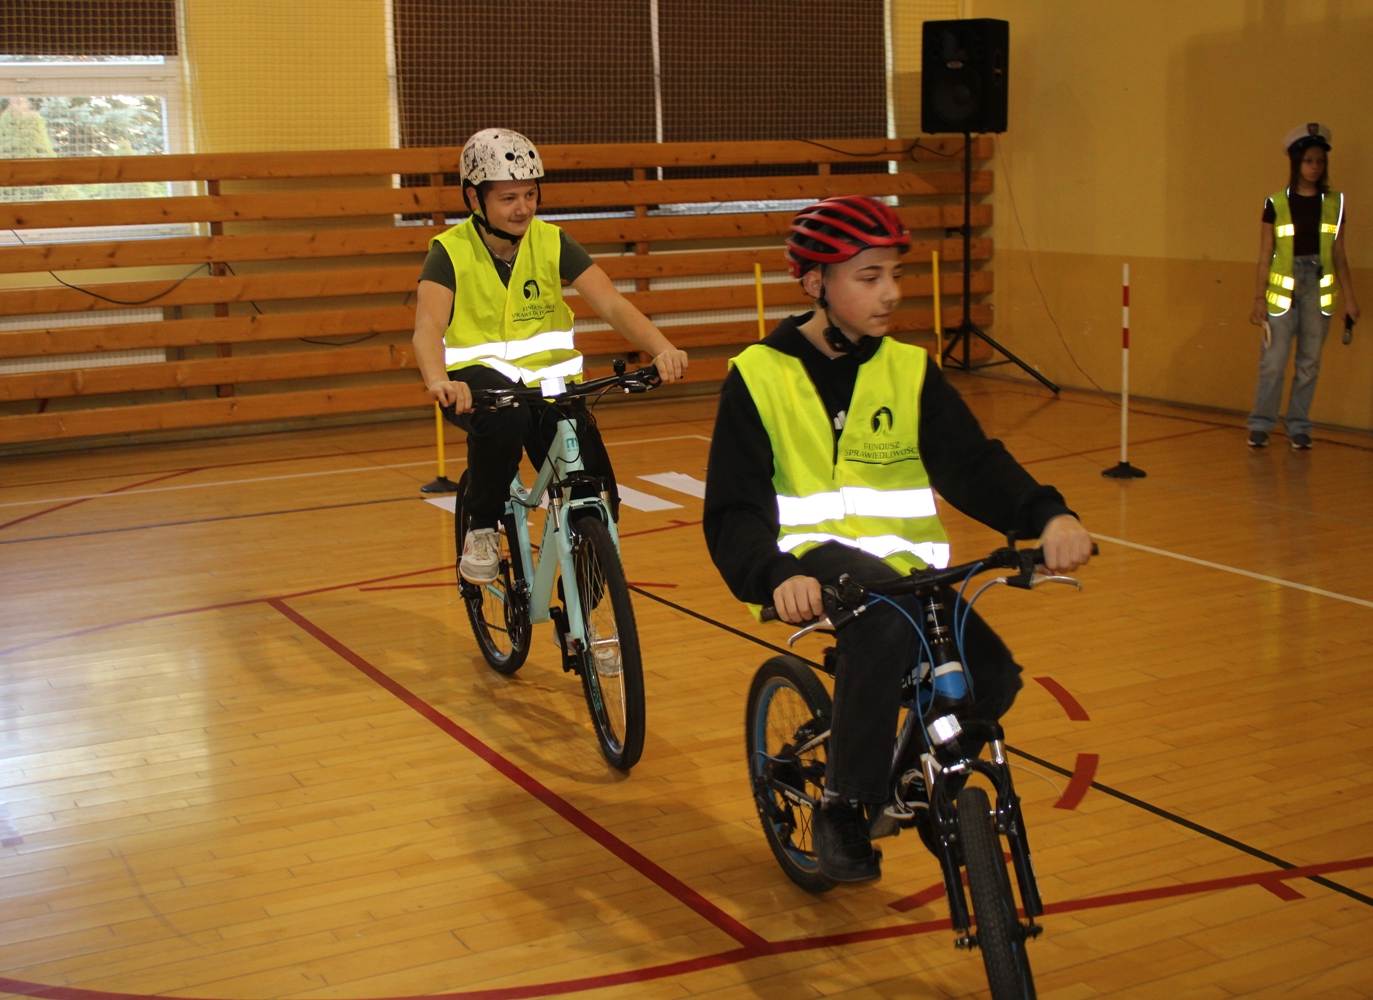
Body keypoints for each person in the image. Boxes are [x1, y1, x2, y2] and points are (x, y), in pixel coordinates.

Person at [702, 196, 1093, 882]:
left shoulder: (908, 371)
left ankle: (920, 776)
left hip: (908, 572)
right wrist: (774, 574)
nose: (891, 293)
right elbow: (733, 509)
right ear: (816, 282)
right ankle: (843, 806)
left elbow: (973, 463)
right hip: (812, 565)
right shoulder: (760, 375)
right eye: (869, 276)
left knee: (991, 678)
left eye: (895, 274)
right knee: (884, 621)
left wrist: (1048, 515)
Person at [412, 128, 688, 583]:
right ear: (475, 198)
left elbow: (612, 304)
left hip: (550, 386)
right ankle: (482, 527)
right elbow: (427, 327)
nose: (522, 208)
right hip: (476, 385)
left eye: (530, 194)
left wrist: (662, 348)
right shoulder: (450, 252)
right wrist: (439, 379)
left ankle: (590, 612)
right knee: (506, 420)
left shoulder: (553, 242)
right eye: (508, 198)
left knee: (596, 492)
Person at [1247, 123, 1360, 450]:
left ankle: (1298, 426)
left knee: (1309, 364)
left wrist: (1350, 298)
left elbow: (1339, 254)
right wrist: (1259, 299)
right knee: (1274, 363)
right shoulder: (1276, 203)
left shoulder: (1335, 202)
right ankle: (1261, 424)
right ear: (1296, 163)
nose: (1315, 167)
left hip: (1317, 292)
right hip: (1283, 294)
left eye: (1320, 161)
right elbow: (1265, 256)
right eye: (1309, 160)